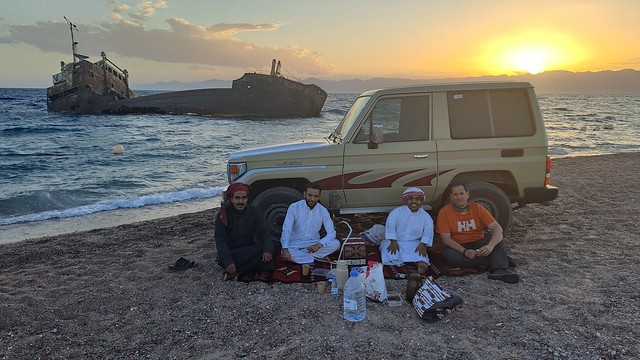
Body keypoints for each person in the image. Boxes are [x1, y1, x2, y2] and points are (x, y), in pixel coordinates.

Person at [436, 182, 520, 284]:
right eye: (455, 194)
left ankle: (500, 271)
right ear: (451, 197)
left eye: (461, 193)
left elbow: (497, 228)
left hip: (478, 241)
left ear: (467, 194)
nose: (459, 197)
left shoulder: (477, 208)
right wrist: (464, 251)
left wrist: (490, 246)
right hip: (458, 246)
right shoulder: (444, 212)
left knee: (497, 238)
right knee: (450, 257)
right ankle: (496, 260)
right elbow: (446, 238)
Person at [215, 183, 274, 280]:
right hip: (232, 251)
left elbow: (264, 231)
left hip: (249, 248)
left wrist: (267, 250)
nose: (240, 201)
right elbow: (220, 240)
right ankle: (235, 268)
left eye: (244, 198)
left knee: (270, 251)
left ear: (247, 199)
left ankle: (237, 271)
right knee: (223, 260)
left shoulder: (254, 211)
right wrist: (228, 262)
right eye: (237, 198)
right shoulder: (223, 215)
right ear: (231, 199)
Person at [280, 182, 341, 264]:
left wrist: (319, 245)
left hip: (314, 244)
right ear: (304, 194)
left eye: (316, 196)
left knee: (336, 243)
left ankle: (306, 258)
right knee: (287, 252)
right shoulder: (294, 207)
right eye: (310, 195)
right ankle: (316, 257)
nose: (312, 199)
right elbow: (286, 229)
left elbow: (332, 233)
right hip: (295, 244)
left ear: (319, 197)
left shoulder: (323, 211)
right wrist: (285, 248)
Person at [380, 187, 432, 275]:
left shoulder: (426, 216)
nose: (414, 201)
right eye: (411, 199)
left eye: (417, 199)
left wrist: (423, 244)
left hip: (415, 243)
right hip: (396, 241)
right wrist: (393, 241)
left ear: (421, 201)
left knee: (421, 254)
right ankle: (399, 262)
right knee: (386, 249)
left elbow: (429, 230)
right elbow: (390, 224)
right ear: (406, 200)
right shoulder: (396, 212)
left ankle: (420, 264)